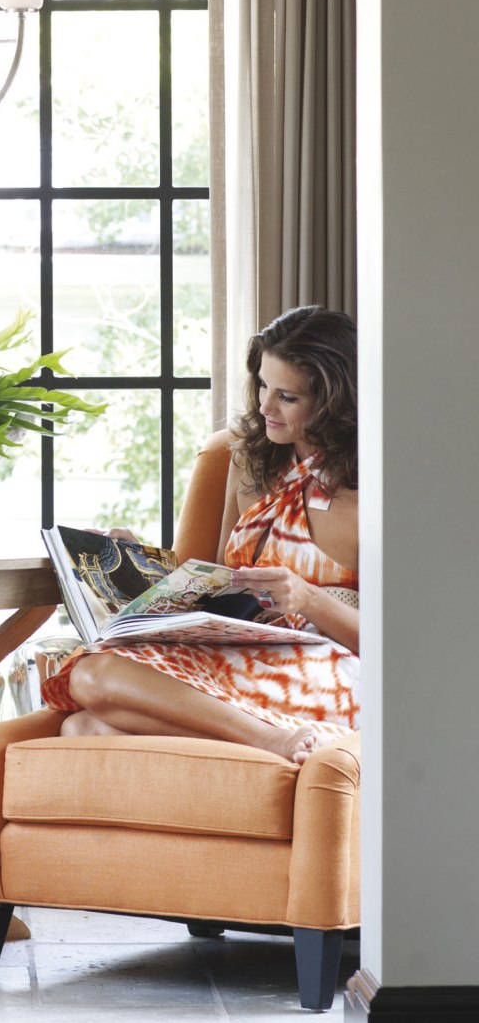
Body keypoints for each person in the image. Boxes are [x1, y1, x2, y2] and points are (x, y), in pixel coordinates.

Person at [41, 305, 359, 765]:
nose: (265, 407)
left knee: (92, 688)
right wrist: (133, 560)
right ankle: (264, 740)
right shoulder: (249, 462)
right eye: (263, 385)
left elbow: (405, 644)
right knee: (80, 724)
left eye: (287, 397)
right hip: (244, 650)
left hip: (333, 666)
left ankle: (273, 741)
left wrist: (308, 598)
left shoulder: (374, 491)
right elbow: (215, 586)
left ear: (334, 401)